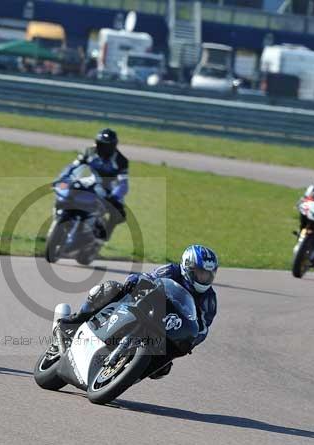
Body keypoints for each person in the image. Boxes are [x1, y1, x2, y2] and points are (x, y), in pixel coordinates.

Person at [51, 244, 218, 380]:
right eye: (201, 273)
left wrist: (192, 339)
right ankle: (74, 321)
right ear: (188, 267)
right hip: (146, 307)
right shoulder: (171, 271)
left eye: (209, 274)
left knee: (162, 370)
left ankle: (125, 372)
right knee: (111, 288)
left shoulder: (209, 299)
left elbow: (202, 329)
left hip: (167, 329)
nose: (205, 278)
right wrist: (134, 279)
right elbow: (148, 277)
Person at [63, 128, 129, 241]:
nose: (103, 149)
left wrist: (114, 197)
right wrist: (64, 178)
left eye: (106, 146)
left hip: (111, 187)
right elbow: (74, 167)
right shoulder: (89, 151)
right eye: (100, 144)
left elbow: (123, 184)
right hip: (93, 180)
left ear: (113, 146)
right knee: (71, 189)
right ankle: (65, 217)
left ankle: (103, 237)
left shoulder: (121, 160)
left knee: (119, 214)